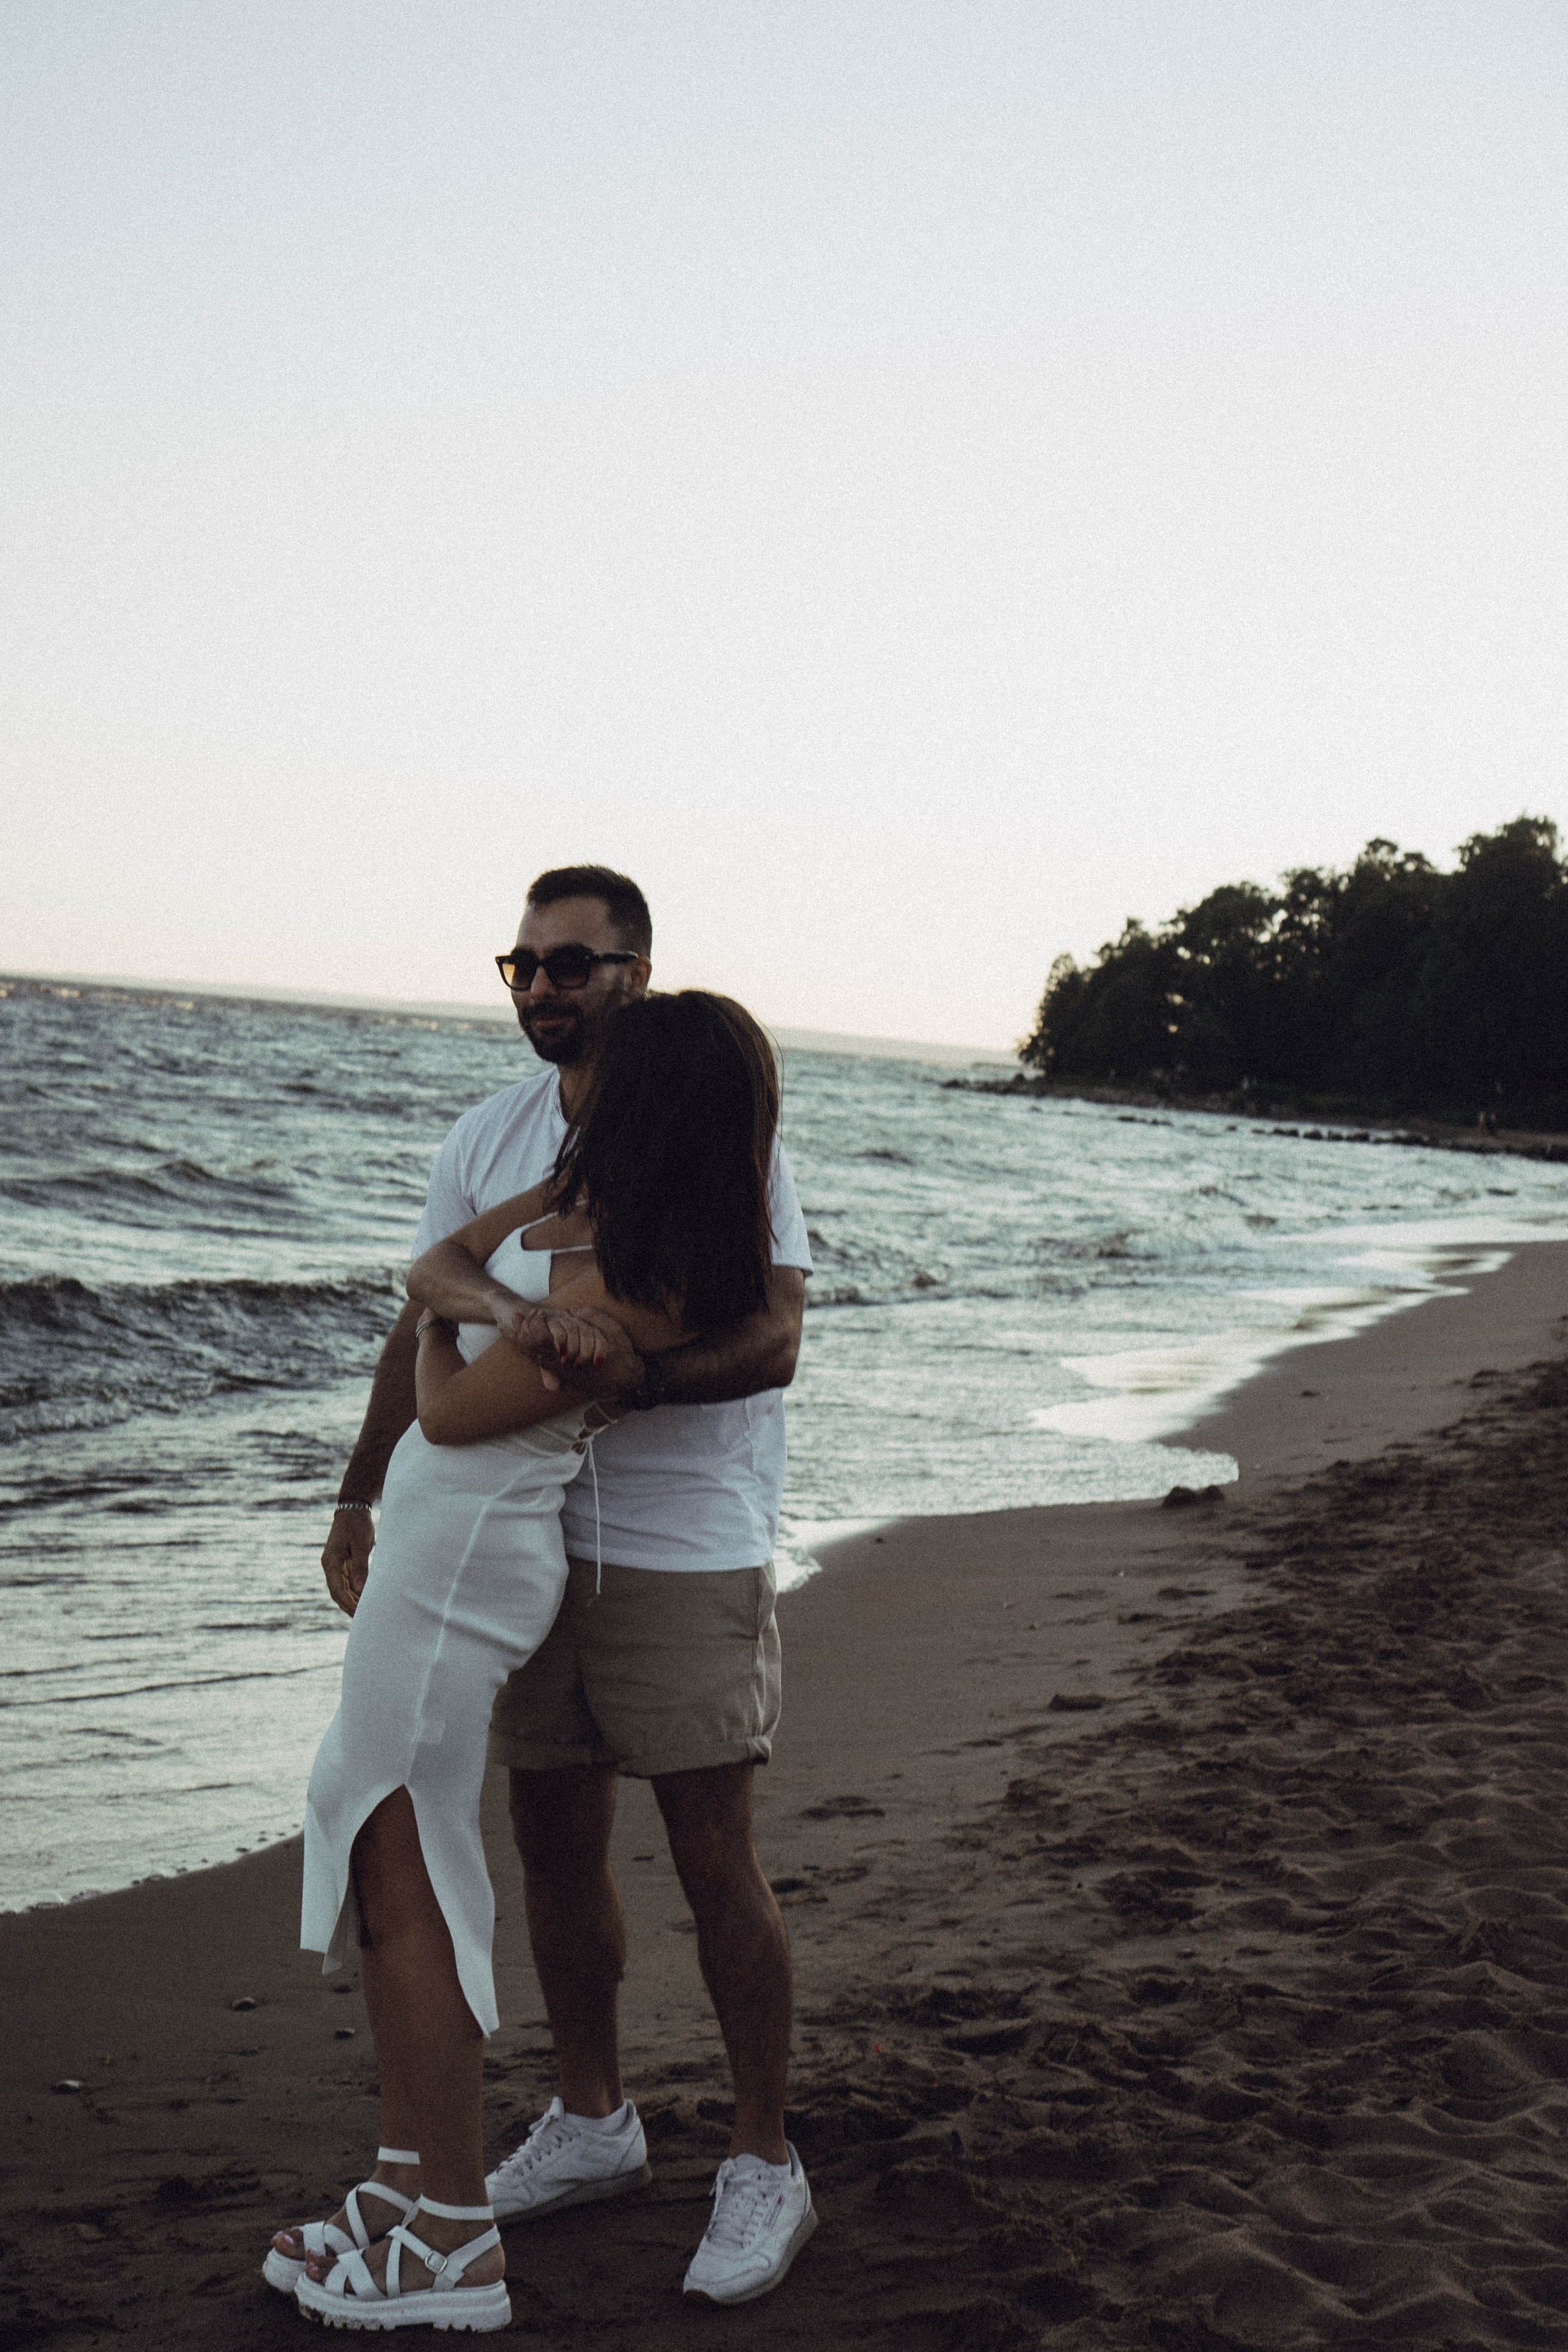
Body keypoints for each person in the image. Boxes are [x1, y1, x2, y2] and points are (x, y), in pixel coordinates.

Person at [286, 867, 815, 2312]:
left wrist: (629, 1376)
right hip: (520, 1544)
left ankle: (761, 2155)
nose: (538, 988)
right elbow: (423, 1309)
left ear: (634, 975)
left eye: (568, 965)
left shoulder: (715, 1141)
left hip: (678, 1539)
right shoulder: (499, 1136)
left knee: (711, 1853)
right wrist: (356, 1489)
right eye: (520, 964)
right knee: (552, 1841)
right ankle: (591, 2121)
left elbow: (773, 1334)